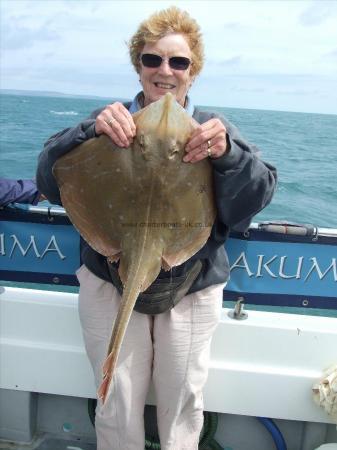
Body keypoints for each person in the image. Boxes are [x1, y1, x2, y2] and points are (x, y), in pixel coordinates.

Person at [36, 6, 277, 450]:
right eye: (153, 59)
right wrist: (87, 132)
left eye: (178, 61)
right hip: (111, 274)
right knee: (116, 399)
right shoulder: (106, 123)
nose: (165, 71)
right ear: (139, 66)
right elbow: (51, 181)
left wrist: (227, 156)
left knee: (183, 401)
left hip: (192, 281)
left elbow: (252, 200)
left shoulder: (214, 131)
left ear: (193, 71)